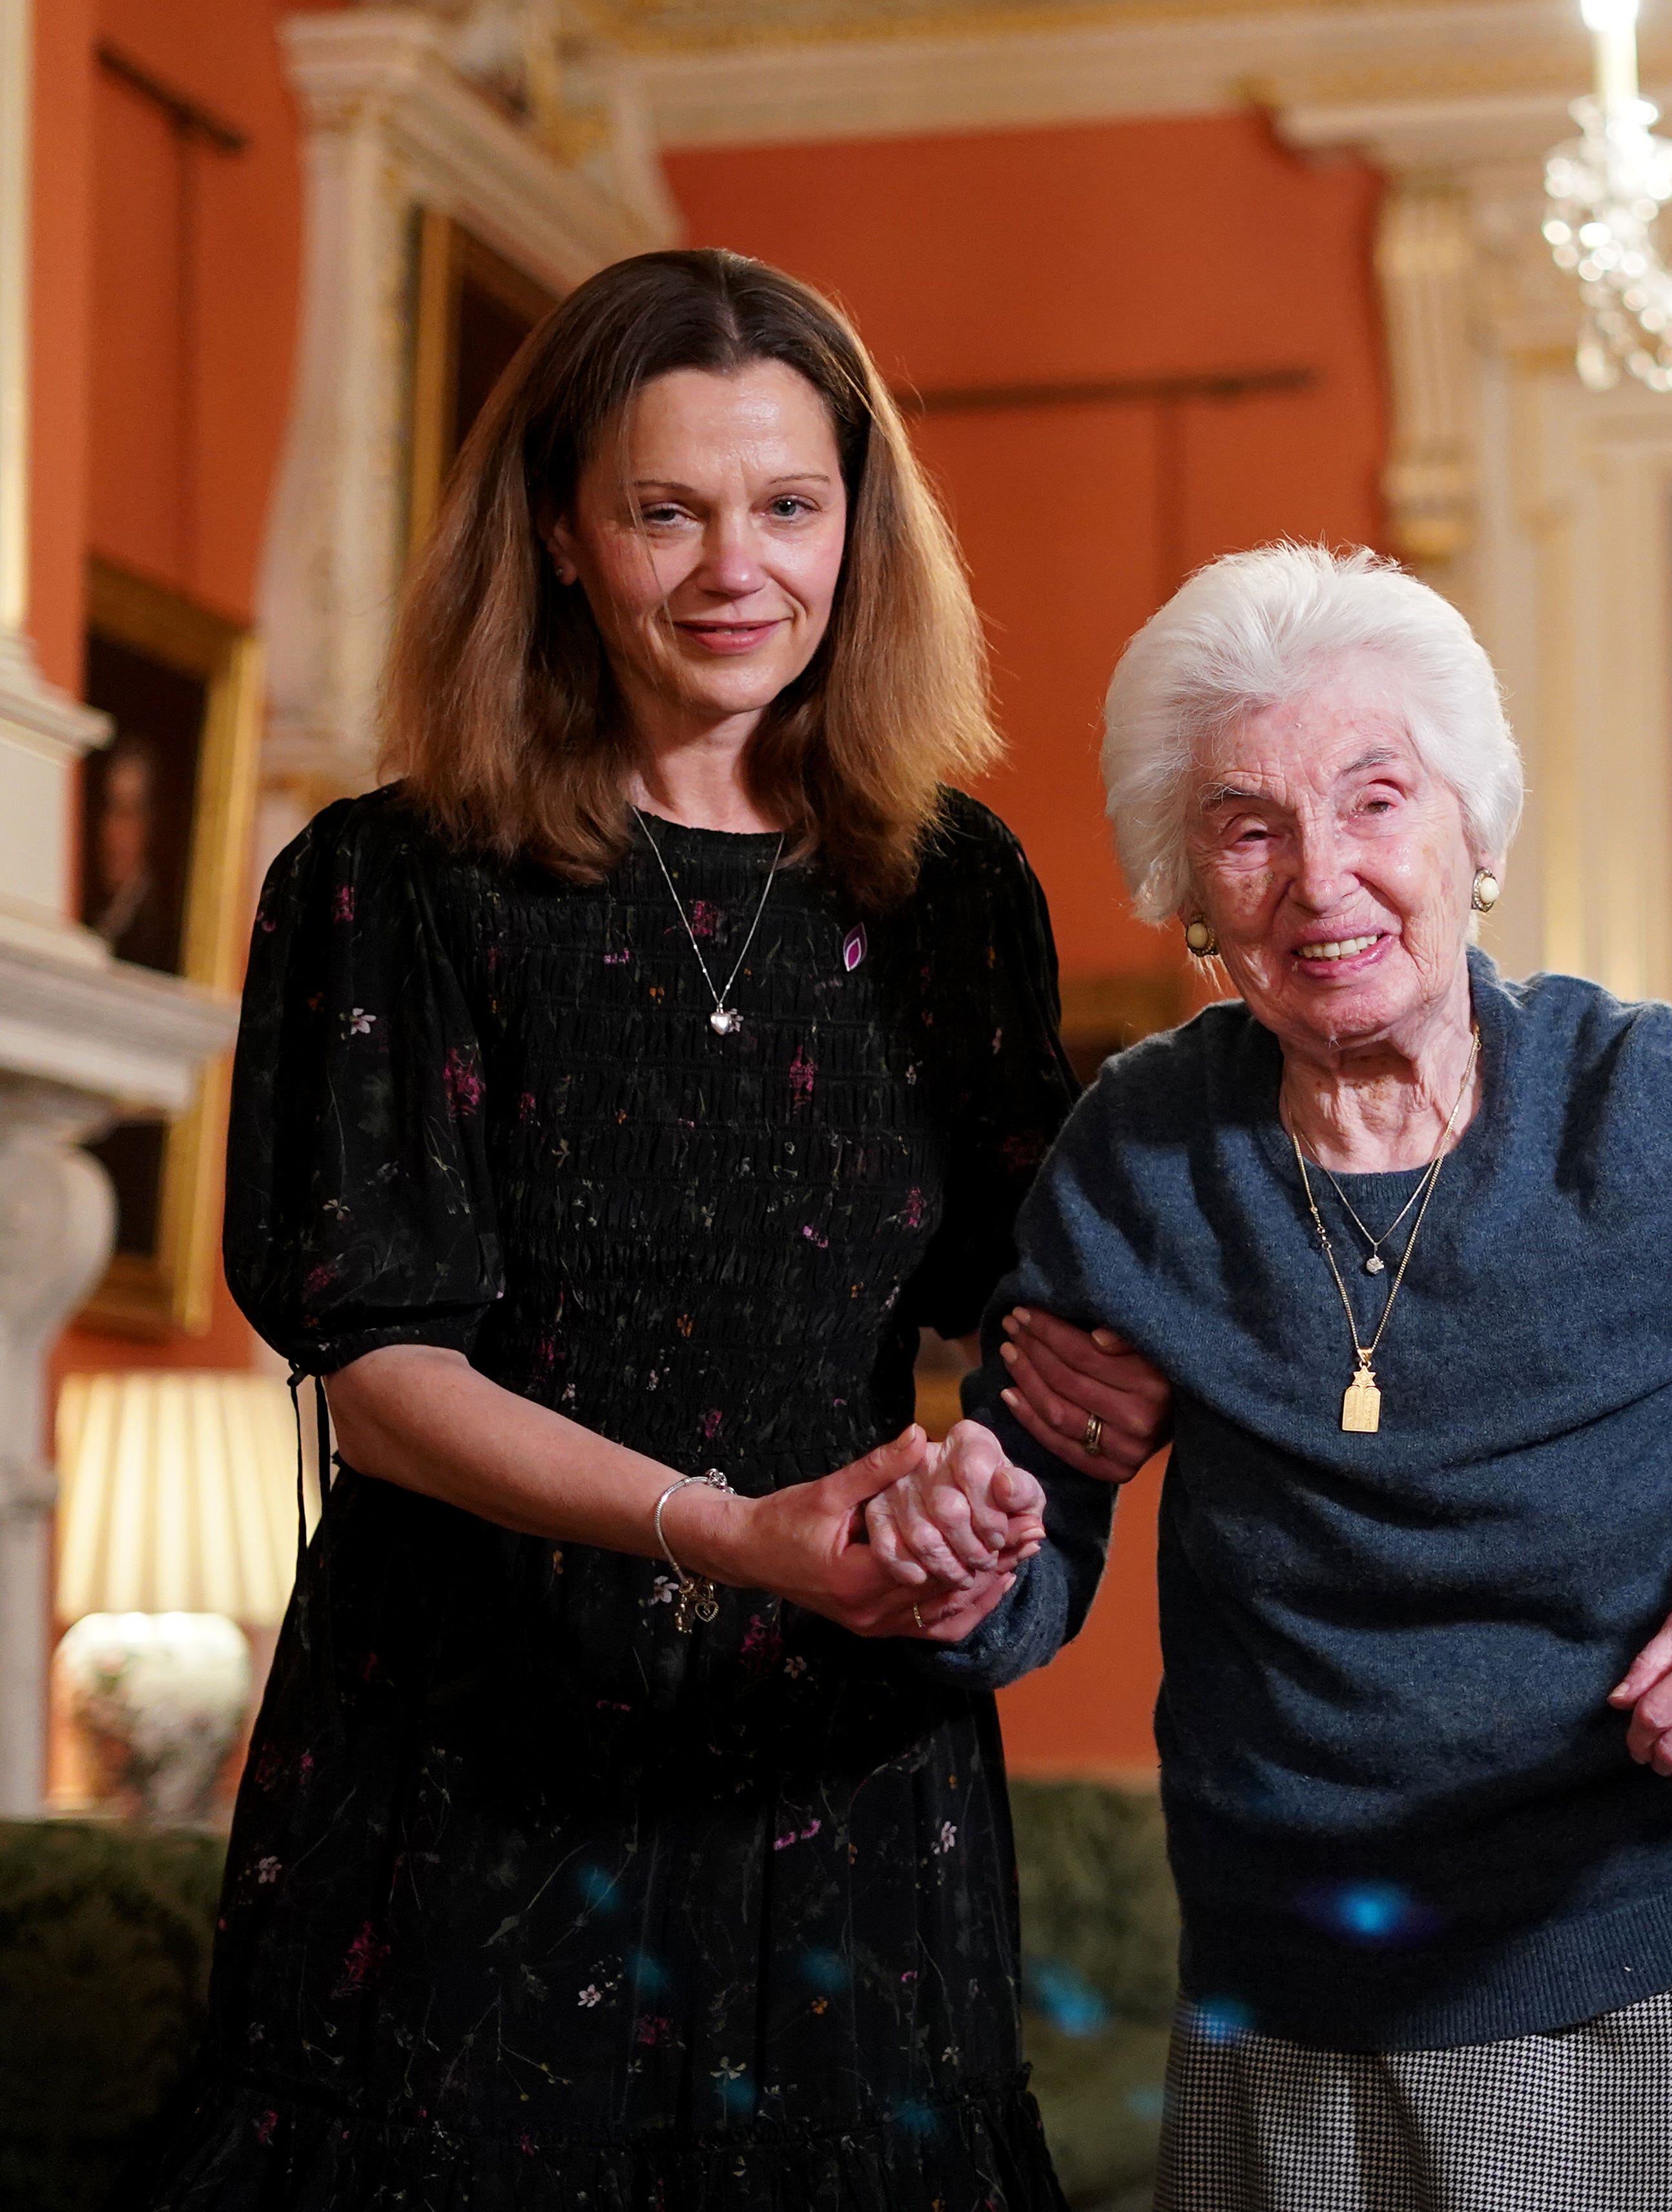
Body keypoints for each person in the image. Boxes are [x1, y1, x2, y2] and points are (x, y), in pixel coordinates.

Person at [883, 540, 1672, 2212]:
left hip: (1664, 1964)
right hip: (1286, 1985)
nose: (1319, 877)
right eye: (1247, 824)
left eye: (1375, 800)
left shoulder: (1650, 1113)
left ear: (1475, 834)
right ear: (1188, 892)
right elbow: (1026, 1551)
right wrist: (963, 1547)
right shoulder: (1144, 1152)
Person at [147, 248, 1110, 2206]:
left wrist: (978, 1506)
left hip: (834, 1745)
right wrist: (715, 1527)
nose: (733, 566)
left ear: (861, 526)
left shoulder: (958, 890)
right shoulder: (390, 880)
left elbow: (1024, 1318)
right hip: (469, 1742)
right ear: (564, 540)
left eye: (788, 505)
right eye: (664, 509)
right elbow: (383, 1369)